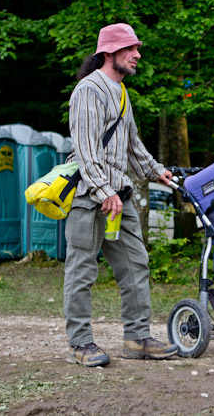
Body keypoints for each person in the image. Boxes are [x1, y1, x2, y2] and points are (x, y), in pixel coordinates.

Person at [64, 23, 178, 367]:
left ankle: (138, 337)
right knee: (82, 269)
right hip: (90, 195)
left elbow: (131, 146)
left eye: (137, 48)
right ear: (110, 52)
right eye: (131, 49)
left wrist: (156, 169)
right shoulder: (89, 90)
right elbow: (85, 148)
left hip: (119, 194)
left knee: (135, 264)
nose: (137, 55)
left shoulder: (122, 92)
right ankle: (81, 343)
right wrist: (102, 191)